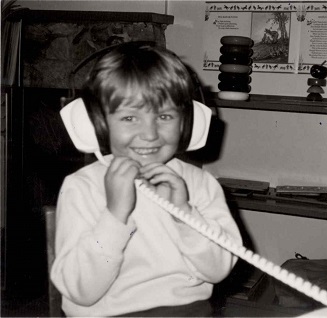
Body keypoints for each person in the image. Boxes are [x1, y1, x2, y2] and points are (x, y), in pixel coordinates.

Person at [51, 42, 242, 317]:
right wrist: (115, 215)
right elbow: (81, 290)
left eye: (164, 116)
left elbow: (218, 270)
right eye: (130, 117)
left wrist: (185, 214)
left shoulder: (199, 184)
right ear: (98, 125)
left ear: (186, 124)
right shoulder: (82, 188)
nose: (150, 134)